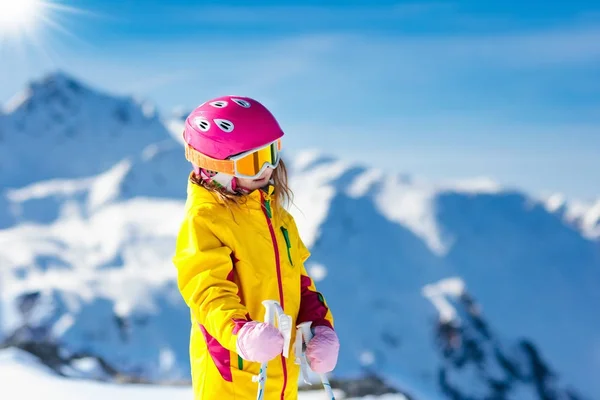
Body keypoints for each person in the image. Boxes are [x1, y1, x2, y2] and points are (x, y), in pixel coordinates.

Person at [172, 95, 340, 399]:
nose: (265, 168)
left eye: (271, 153)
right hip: (232, 379)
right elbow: (207, 291)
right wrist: (240, 333)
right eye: (252, 161)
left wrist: (319, 326)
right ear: (214, 168)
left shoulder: (278, 217)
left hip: (280, 379)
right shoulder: (205, 221)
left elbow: (298, 282)